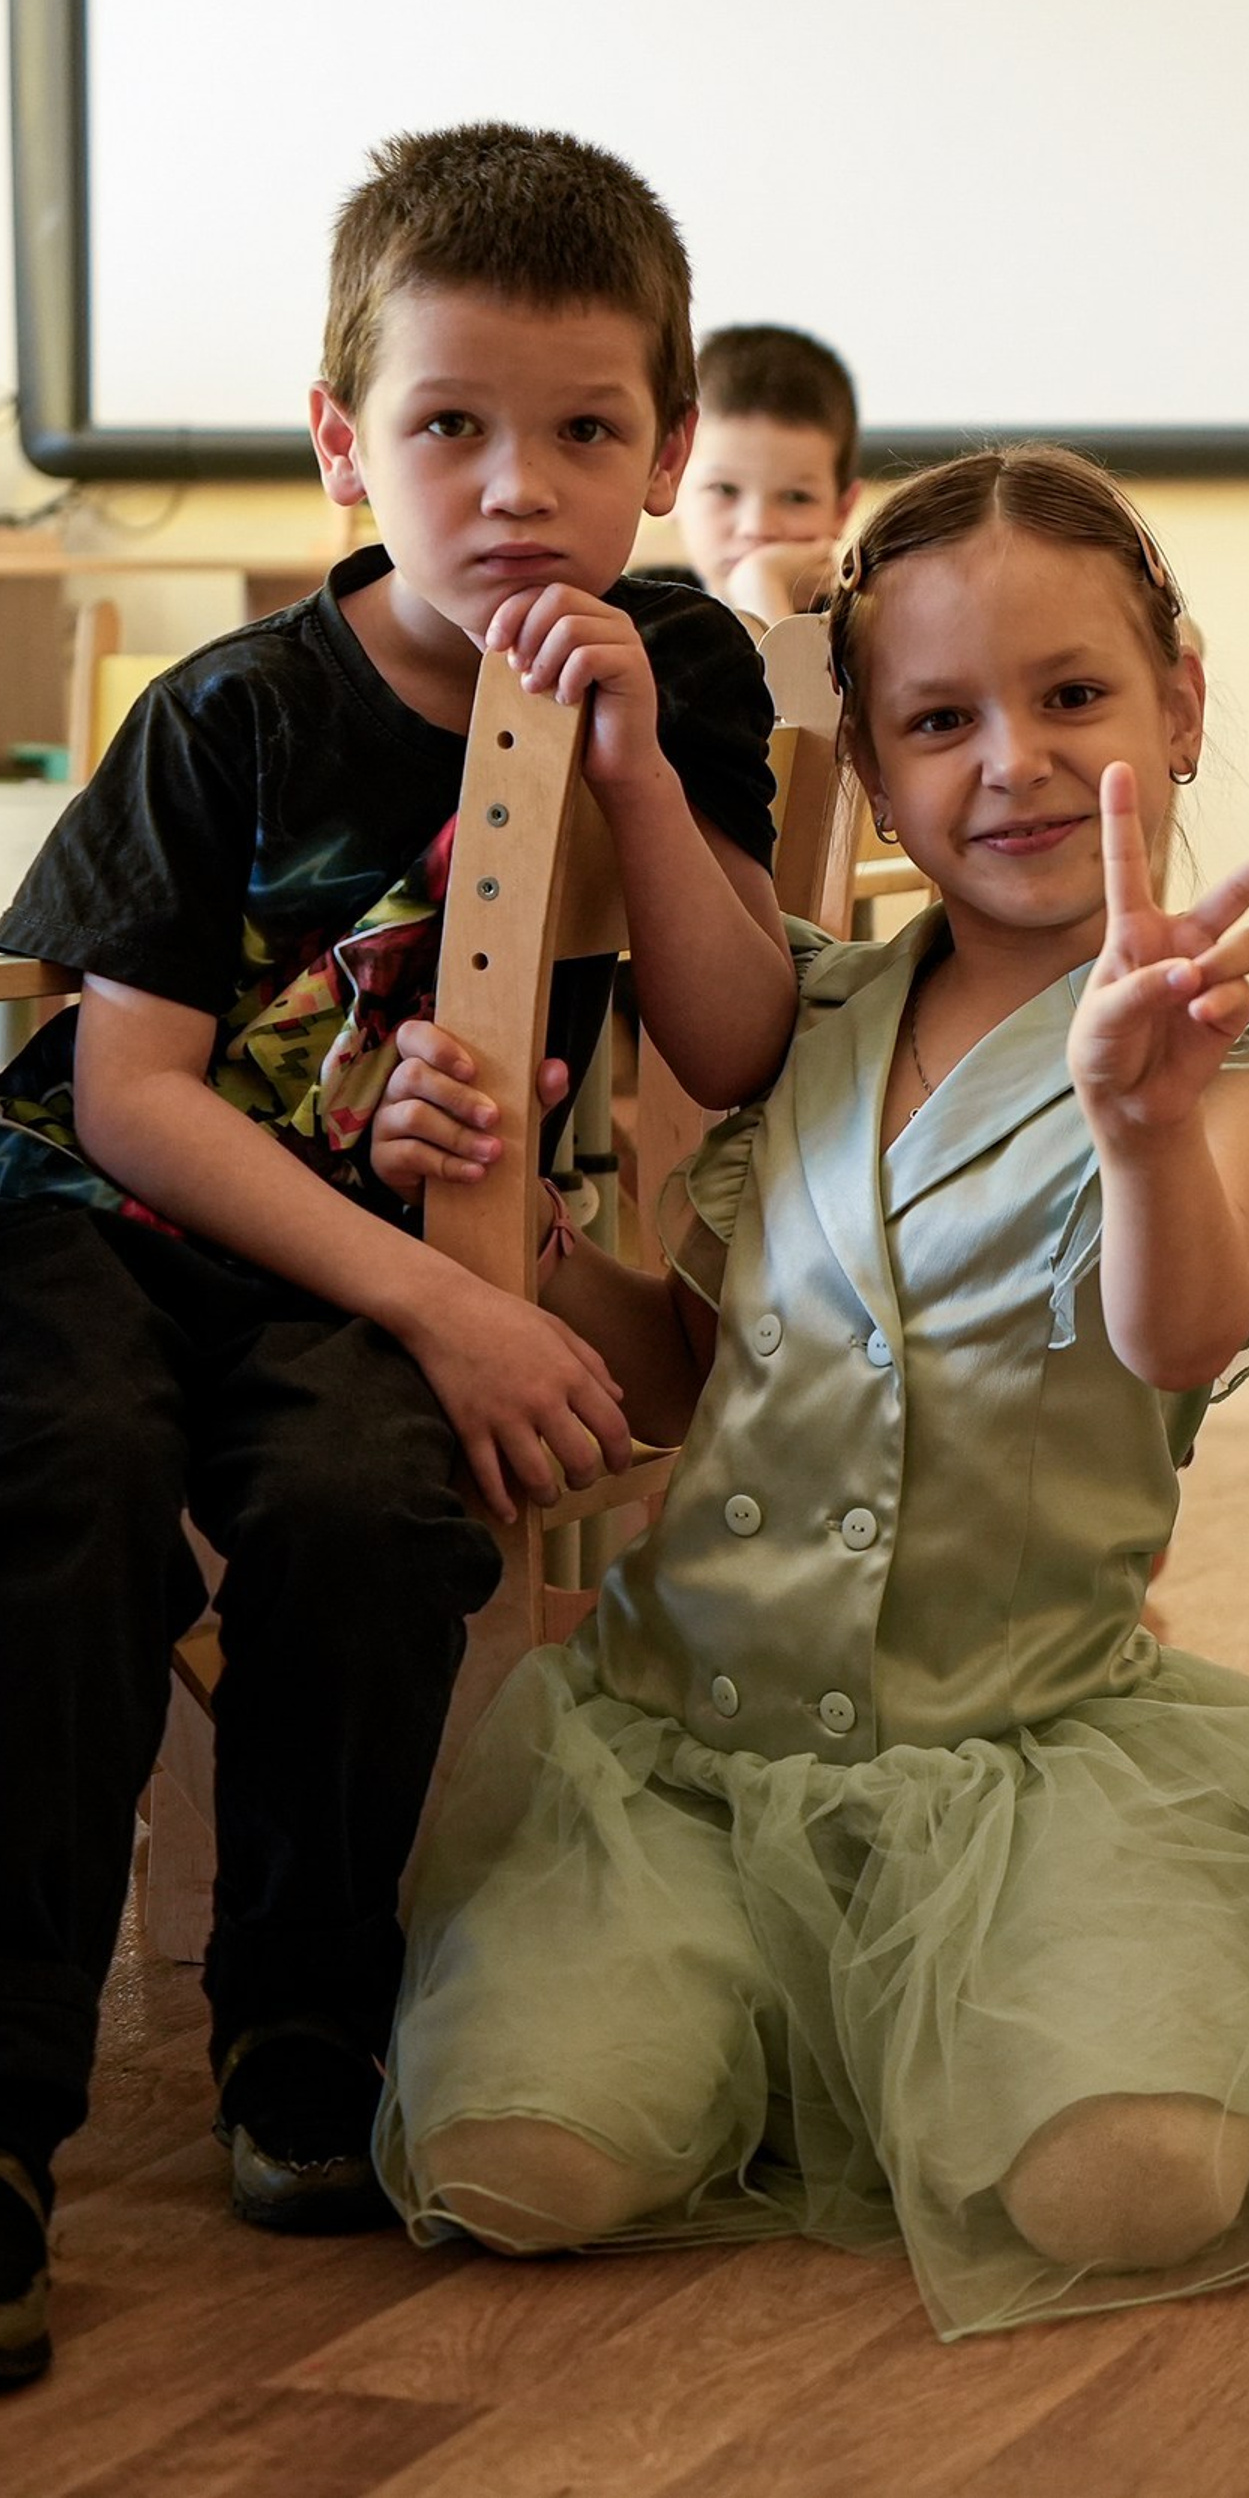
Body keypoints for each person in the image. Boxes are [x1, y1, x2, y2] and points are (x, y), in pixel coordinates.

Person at [367, 444, 1249, 2340]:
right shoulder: (813, 1020)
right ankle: (778, 2028)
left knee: (1135, 2188)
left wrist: (1132, 1122)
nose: (1013, 763)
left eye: (1072, 698)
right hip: (679, 1768)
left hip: (1029, 1770)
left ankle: (943, 2041)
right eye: (941, 720)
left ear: (1181, 701)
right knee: (513, 2170)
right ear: (869, 767)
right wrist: (523, 1246)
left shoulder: (1242, 1055)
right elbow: (710, 1376)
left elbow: (1176, 1330)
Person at [0, 121, 796, 2388]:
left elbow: (732, 1038)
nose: (514, 488)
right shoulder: (236, 714)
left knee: (364, 1502)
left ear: (660, 452)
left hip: (370, 1264)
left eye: (582, 430)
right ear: (346, 439)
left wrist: (637, 767)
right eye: (447, 425)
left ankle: (301, 2026)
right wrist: (451, 1290)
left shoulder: (685, 671)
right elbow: (125, 1091)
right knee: (60, 1499)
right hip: (101, 1230)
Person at [663, 325, 861, 630]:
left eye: (797, 497)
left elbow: (791, 682)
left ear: (842, 510)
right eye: (725, 489)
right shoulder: (639, 614)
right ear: (669, 479)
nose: (757, 528)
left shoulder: (863, 630)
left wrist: (760, 588)